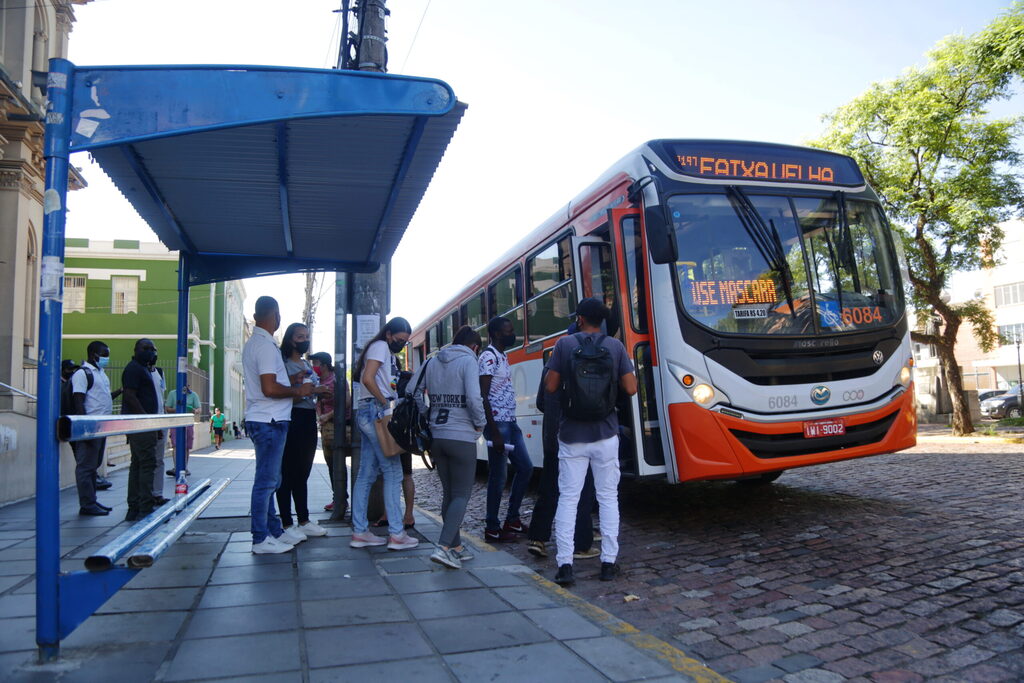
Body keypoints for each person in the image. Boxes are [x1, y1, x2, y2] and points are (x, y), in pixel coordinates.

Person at [545, 298, 638, 585]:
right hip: (606, 433)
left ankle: (565, 565)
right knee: (608, 497)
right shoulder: (615, 346)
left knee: (569, 498)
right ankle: (608, 563)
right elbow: (632, 388)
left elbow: (550, 386)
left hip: (572, 434)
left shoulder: (564, 345)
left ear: (581, 318)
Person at [242, 296, 317, 554]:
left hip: (267, 418)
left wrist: (292, 379)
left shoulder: (260, 343)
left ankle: (273, 531)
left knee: (271, 480)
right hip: (269, 420)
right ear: (274, 314)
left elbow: (271, 382)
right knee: (266, 482)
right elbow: (269, 388)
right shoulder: (263, 346)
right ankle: (260, 539)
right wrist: (299, 390)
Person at [413, 326, 487, 569]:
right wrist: (480, 424)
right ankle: (443, 546)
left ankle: (455, 546)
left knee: (448, 493)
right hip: (461, 435)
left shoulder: (431, 361)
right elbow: (474, 398)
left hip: (437, 435)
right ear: (475, 347)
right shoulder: (468, 361)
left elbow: (411, 391)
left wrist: (427, 413)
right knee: (462, 494)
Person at [349, 317, 419, 551]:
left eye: (405, 342)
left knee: (366, 474)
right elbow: (368, 379)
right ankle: (397, 534)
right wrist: (385, 404)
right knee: (393, 471)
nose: (401, 344)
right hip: (375, 412)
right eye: (399, 340)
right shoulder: (380, 347)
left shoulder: (381, 349)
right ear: (388, 334)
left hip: (368, 412)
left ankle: (360, 532)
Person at [526, 359, 599, 561]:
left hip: (553, 438)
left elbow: (541, 401)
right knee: (583, 490)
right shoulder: (586, 363)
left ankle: (537, 538)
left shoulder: (551, 364)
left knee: (548, 488)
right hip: (577, 437)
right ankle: (580, 544)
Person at [479, 316, 533, 542]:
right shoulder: (488, 357)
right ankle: (492, 526)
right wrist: (493, 431)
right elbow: (483, 395)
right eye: (508, 331)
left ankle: (512, 518)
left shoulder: (503, 356)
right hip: (498, 425)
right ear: (496, 334)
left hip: (510, 422)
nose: (512, 334)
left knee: (526, 468)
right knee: (498, 477)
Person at [275, 323, 328, 543]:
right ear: (290, 339)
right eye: (299, 336)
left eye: (306, 336)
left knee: (303, 472)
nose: (304, 340)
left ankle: (304, 520)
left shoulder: (306, 364)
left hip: (308, 419)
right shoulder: (283, 364)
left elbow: (309, 391)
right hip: (291, 417)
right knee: (287, 472)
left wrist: (317, 392)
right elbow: (282, 394)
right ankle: (286, 523)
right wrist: (309, 391)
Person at [69, 342, 116, 516]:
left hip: (101, 427)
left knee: (93, 466)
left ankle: (92, 500)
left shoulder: (101, 373)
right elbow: (78, 400)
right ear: (93, 354)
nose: (106, 358)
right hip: (90, 427)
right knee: (86, 466)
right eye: (104, 354)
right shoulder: (83, 374)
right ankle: (87, 504)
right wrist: (85, 427)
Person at [121, 338, 164, 522]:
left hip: (146, 424)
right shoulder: (134, 369)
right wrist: (146, 420)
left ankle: (136, 506)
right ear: (137, 349)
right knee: (146, 464)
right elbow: (130, 396)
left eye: (153, 349)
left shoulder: (145, 370)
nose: (151, 352)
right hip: (141, 425)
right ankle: (143, 507)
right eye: (147, 348)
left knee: (139, 464)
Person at [309, 351, 343, 515]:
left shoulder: (336, 379)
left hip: (337, 425)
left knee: (337, 462)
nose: (313, 367)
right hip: (325, 427)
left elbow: (346, 402)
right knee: (331, 464)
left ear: (323, 365)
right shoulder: (316, 381)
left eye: (315, 363)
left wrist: (327, 416)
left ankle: (341, 499)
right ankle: (338, 497)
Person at [166, 383, 200, 476]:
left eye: (188, 385)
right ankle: (176, 467)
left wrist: (194, 410)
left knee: (186, 446)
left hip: (188, 422)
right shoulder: (173, 393)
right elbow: (167, 408)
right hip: (175, 421)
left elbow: (198, 409)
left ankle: (185, 467)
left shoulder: (193, 395)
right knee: (175, 445)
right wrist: (178, 409)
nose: (186, 387)